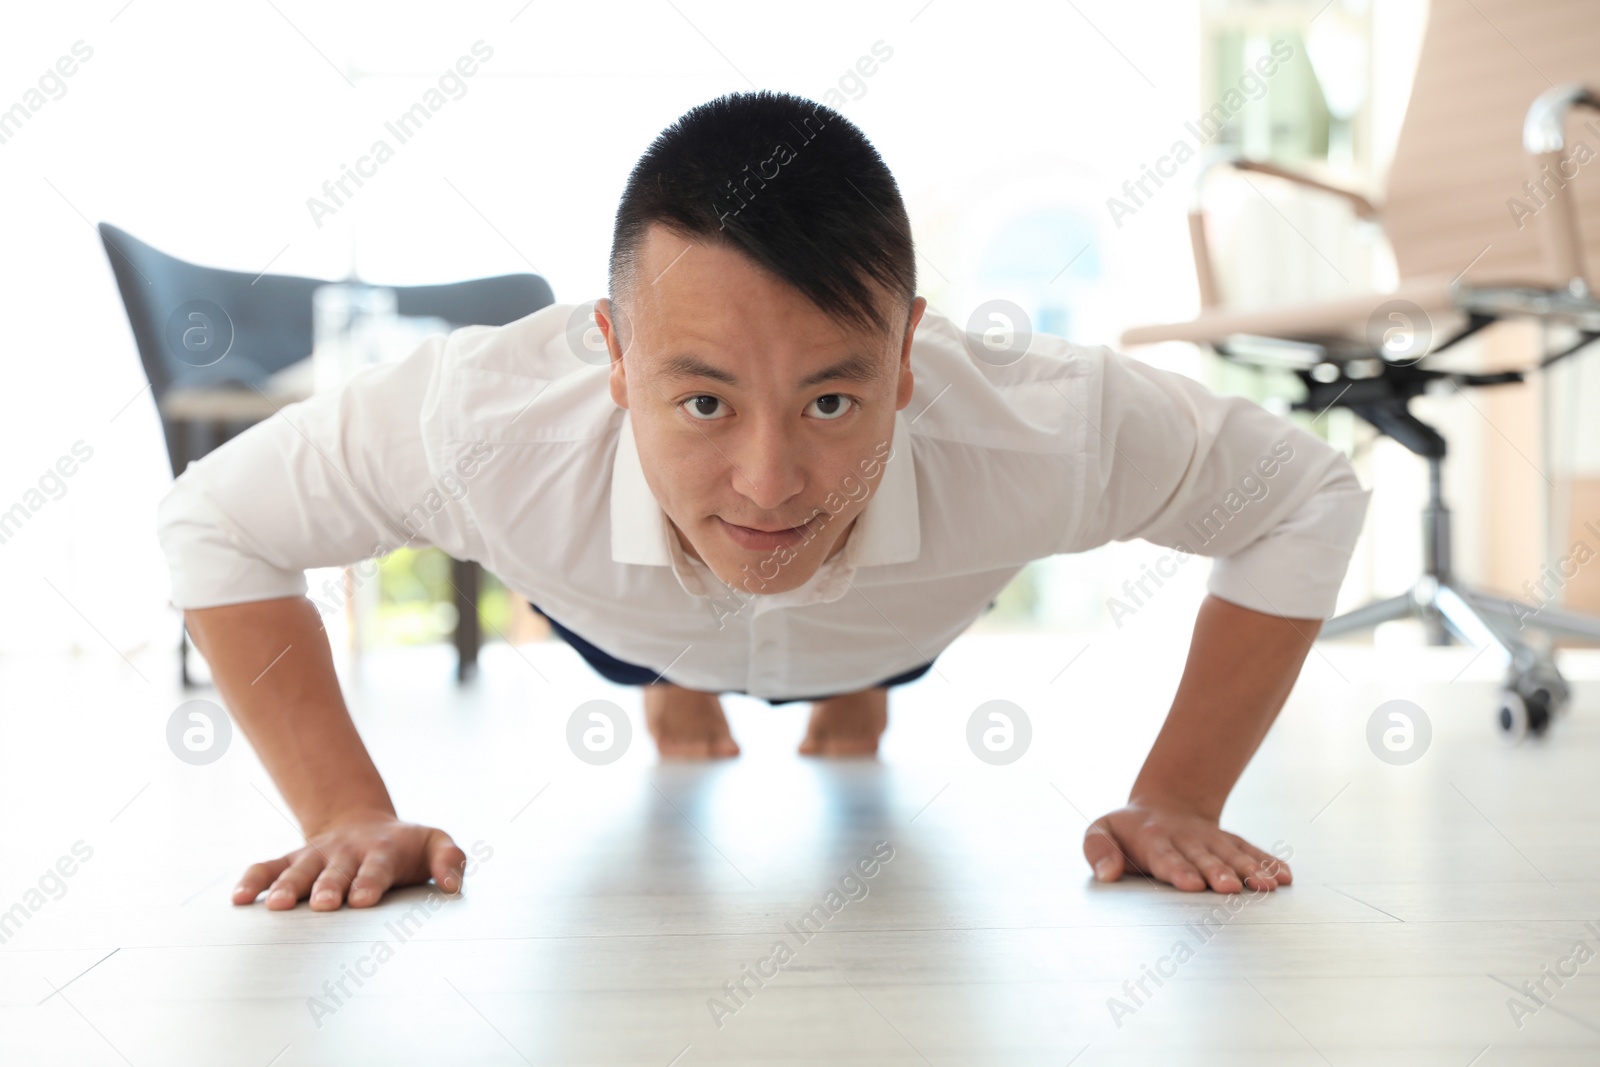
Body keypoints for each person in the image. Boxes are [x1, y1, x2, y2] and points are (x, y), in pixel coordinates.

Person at [157, 90, 1368, 913]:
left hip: (893, 621)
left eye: (834, 400)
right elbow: (217, 523)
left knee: (854, 675)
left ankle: (847, 691)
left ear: (907, 358)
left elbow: (1303, 494)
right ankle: (686, 672)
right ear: (614, 357)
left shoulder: (1049, 422)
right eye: (701, 403)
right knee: (680, 626)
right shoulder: (477, 424)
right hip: (620, 616)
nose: (770, 477)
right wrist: (346, 811)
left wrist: (1178, 795)